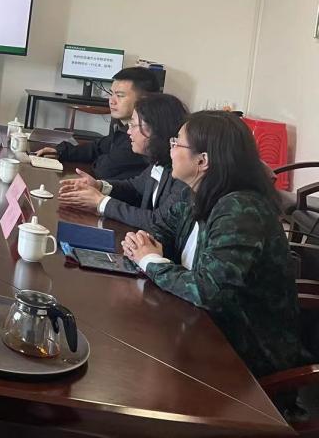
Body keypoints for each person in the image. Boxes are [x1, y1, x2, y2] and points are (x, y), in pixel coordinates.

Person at [122, 111, 303, 378]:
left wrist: (149, 259)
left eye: (177, 143)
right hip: (198, 328)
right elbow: (158, 232)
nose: (171, 149)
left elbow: (209, 292)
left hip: (244, 356)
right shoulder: (194, 193)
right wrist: (142, 246)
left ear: (203, 160)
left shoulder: (240, 210)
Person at [58, 93, 190, 230]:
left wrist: (101, 202)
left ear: (156, 129)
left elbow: (157, 221)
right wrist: (99, 186)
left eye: (133, 125)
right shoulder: (158, 161)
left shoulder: (182, 174)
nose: (128, 132)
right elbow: (134, 187)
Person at [34, 66, 160, 179]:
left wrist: (100, 159)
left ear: (144, 100)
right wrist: (61, 151)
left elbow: (105, 170)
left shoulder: (143, 135)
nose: (111, 101)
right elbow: (98, 147)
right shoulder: (122, 126)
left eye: (120, 96)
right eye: (111, 94)